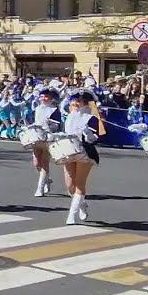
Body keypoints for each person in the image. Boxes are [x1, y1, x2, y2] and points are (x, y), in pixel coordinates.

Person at [57, 90, 101, 225]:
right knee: (70, 185)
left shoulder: (92, 118)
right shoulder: (70, 117)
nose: (76, 103)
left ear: (87, 103)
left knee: (80, 183)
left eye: (80, 101)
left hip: (85, 152)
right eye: (75, 101)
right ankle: (82, 205)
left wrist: (88, 134)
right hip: (68, 151)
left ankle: (71, 215)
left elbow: (95, 138)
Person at [30, 87, 63, 197]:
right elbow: (33, 121)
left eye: (46, 96)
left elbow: (56, 126)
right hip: (36, 137)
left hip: (48, 138)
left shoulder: (54, 110)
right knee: (36, 163)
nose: (44, 98)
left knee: (44, 162)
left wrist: (51, 125)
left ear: (51, 98)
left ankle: (40, 188)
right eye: (42, 96)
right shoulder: (37, 108)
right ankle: (47, 179)